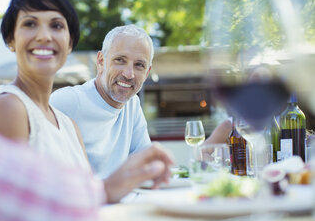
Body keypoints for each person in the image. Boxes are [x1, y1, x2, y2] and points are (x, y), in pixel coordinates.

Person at [0, 0, 173, 221]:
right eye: (30, 24)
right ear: (10, 40)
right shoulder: (8, 107)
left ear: (70, 43)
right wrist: (105, 190)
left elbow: (91, 205)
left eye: (56, 25)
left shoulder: (67, 124)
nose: (44, 36)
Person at [50, 25, 231, 178]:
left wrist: (202, 157)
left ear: (147, 72)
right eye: (120, 60)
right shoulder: (67, 102)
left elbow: (147, 166)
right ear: (101, 61)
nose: (129, 74)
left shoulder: (132, 105)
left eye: (139, 65)